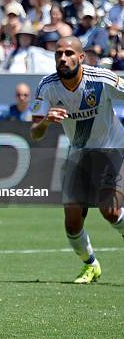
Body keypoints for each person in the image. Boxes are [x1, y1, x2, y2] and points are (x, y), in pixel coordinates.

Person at [30, 37, 124, 284]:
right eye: (59, 54)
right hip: (79, 154)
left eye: (69, 53)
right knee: (72, 223)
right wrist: (46, 121)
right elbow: (35, 132)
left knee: (110, 210)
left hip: (112, 148)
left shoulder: (102, 79)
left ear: (81, 57)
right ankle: (90, 265)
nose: (63, 58)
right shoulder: (46, 86)